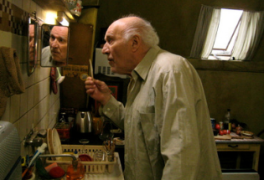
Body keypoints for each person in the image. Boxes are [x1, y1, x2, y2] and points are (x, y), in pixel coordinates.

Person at [85, 15, 222, 180]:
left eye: (110, 41)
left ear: (135, 42)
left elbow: (181, 157)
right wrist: (106, 99)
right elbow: (136, 125)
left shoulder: (170, 71)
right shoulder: (139, 78)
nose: (105, 49)